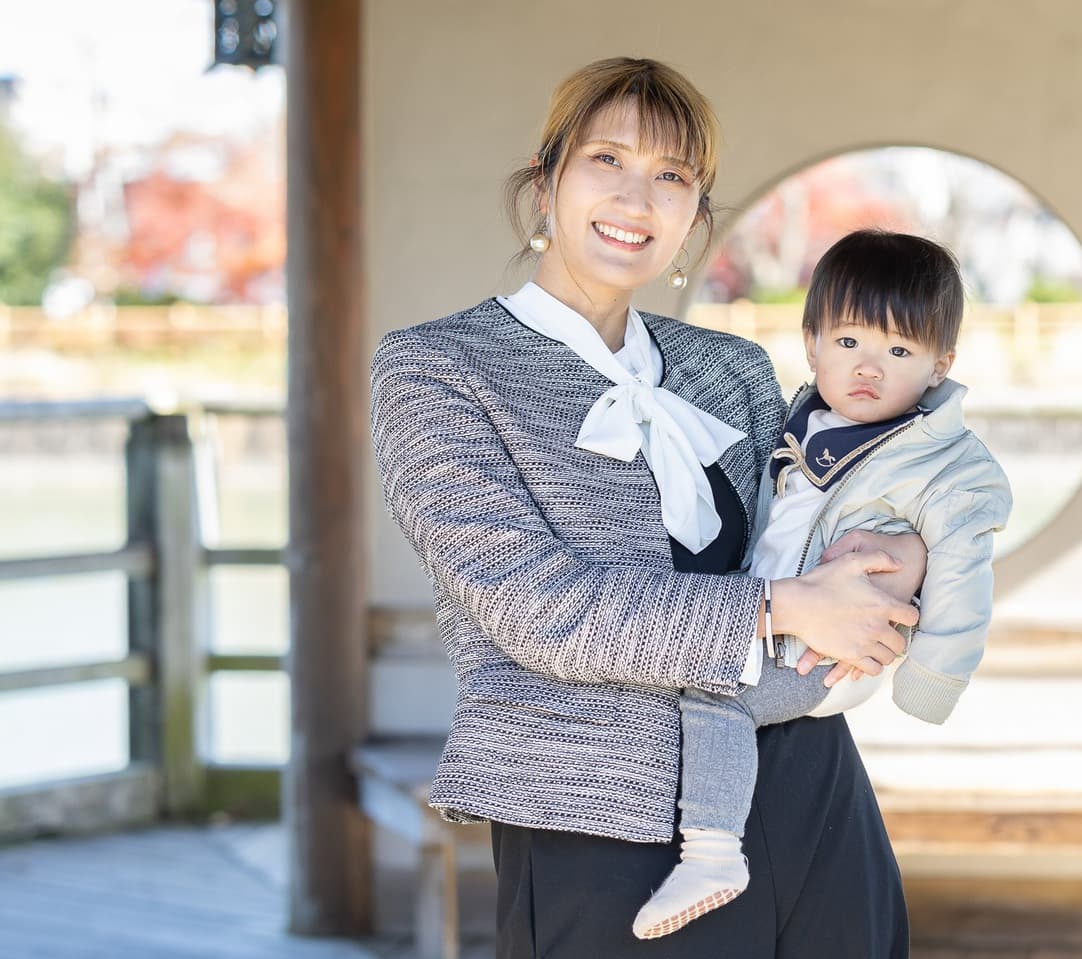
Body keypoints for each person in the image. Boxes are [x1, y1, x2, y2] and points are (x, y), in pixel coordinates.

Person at [368, 58, 926, 958]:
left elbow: (821, 521)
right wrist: (783, 606)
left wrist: (894, 563)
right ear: (545, 183)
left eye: (672, 176)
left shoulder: (732, 369)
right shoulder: (437, 368)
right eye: (607, 160)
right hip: (594, 811)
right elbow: (538, 609)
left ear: (694, 219)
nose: (637, 199)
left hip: (805, 784)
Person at [633, 229, 1013, 938]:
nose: (868, 367)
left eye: (899, 352)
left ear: (939, 366)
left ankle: (711, 854)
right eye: (848, 342)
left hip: (828, 652)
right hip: (783, 622)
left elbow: (964, 574)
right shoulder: (802, 425)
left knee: (715, 694)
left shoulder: (945, 465)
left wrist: (931, 680)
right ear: (811, 345)